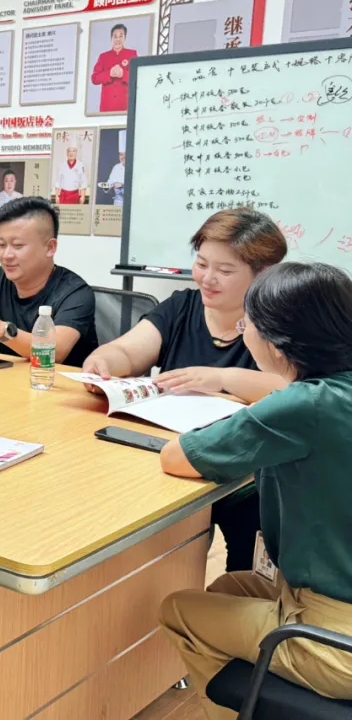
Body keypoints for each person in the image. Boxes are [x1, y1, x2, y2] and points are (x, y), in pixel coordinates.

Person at [157, 262, 352, 719]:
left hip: (337, 636)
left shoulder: (305, 405)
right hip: (324, 594)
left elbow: (176, 456)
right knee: (227, 588)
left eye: (248, 325)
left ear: (276, 344)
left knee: (179, 610)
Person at [81, 208, 288, 572]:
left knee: (246, 561)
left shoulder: (281, 322)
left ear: (263, 274)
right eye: (201, 263)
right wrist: (103, 361)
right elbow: (129, 350)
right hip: (175, 458)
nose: (207, 278)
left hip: (246, 472)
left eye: (225, 271)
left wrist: (222, 378)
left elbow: (297, 389)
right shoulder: (182, 306)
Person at [0, 197, 98, 367]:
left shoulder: (76, 292)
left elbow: (54, 352)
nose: (6, 255)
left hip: (60, 380)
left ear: (50, 248)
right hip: (14, 378)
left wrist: (0, 329)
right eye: (2, 244)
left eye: (18, 246)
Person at [90, 23, 138, 113]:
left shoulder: (132, 54)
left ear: (125, 38)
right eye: (115, 36)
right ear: (111, 38)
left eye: (121, 36)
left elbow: (137, 77)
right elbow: (94, 78)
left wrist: (123, 74)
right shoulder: (103, 56)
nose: (117, 39)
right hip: (106, 107)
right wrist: (109, 74)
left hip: (125, 106)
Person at [103, 131, 128, 207]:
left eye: (125, 154)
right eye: (121, 154)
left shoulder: (135, 168)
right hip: (117, 203)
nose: (123, 157)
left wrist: (122, 185)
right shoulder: (116, 167)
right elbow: (110, 182)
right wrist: (106, 187)